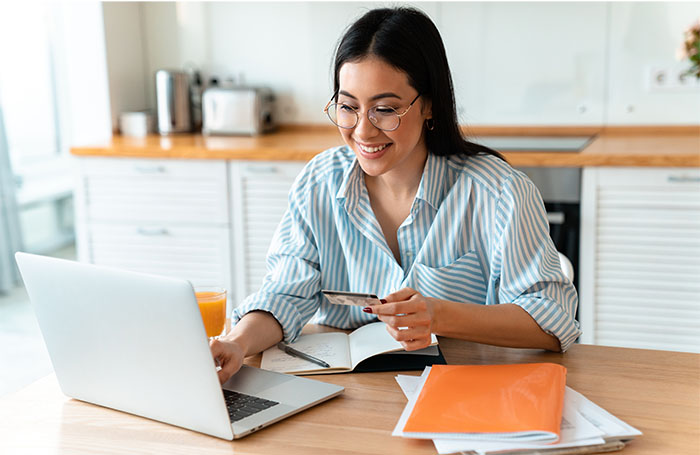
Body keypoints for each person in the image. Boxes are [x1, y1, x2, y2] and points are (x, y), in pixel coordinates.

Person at [211, 7, 581, 384]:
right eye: (348, 107)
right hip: (348, 396)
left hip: (462, 391)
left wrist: (437, 315)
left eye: (385, 110)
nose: (363, 132)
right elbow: (285, 295)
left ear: (430, 104)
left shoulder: (499, 193)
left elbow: (552, 321)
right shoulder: (319, 181)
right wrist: (237, 343)